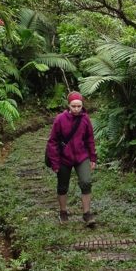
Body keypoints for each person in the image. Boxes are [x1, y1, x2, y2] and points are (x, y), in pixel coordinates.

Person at [46, 91, 97, 227]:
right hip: (64, 158)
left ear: (82, 106)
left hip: (82, 156)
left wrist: (92, 157)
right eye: (73, 106)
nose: (76, 109)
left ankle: (87, 214)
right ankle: (63, 212)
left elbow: (90, 139)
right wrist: (55, 163)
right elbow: (52, 142)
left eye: (79, 106)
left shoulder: (85, 119)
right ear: (68, 105)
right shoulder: (60, 119)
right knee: (63, 186)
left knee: (86, 182)